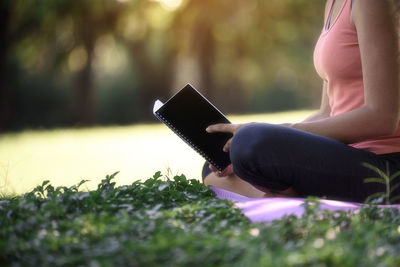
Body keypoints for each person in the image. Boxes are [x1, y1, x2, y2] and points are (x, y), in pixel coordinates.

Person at [202, 0, 400, 203]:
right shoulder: (333, 3)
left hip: (385, 168)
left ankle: (285, 198)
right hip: (347, 155)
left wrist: (279, 133)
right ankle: (288, 197)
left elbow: (382, 117)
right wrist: (277, 134)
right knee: (225, 158)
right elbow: (327, 112)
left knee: (250, 143)